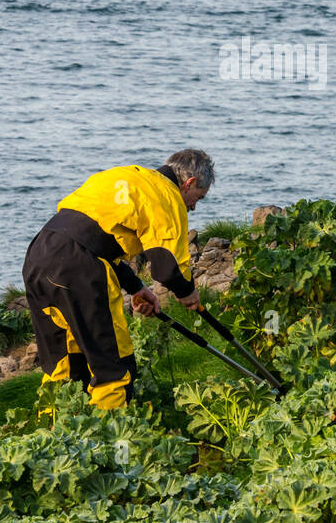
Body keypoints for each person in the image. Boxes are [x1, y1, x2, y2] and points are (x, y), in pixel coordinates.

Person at [21, 149, 212, 409]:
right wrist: (188, 293)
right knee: (112, 366)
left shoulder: (126, 175)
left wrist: (136, 287)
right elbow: (167, 268)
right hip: (80, 269)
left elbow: (91, 237)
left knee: (63, 362)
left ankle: (51, 442)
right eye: (197, 198)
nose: (192, 207)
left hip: (40, 254)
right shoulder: (167, 196)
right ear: (188, 183)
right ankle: (110, 439)